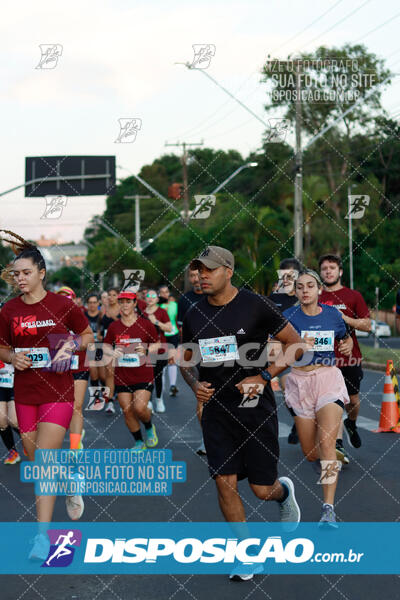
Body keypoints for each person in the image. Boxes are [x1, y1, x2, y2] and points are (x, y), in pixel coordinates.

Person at [180, 245, 302, 582]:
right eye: (198, 270)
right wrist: (195, 386)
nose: (202, 276)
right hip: (216, 411)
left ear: (228, 271)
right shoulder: (193, 314)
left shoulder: (254, 305)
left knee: (261, 489)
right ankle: (248, 555)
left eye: (208, 270)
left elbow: (297, 345)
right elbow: (185, 359)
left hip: (254, 408)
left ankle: (283, 493)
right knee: (224, 482)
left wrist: (264, 376)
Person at [0, 231, 94, 561]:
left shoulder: (61, 304)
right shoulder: (8, 309)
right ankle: (70, 480)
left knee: (43, 463)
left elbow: (86, 335)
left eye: (26, 272)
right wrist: (12, 358)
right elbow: (2, 346)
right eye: (15, 274)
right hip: (25, 392)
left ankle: (42, 537)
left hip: (59, 390)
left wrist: (69, 345)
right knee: (31, 454)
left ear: (42, 272)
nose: (20, 278)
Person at [283, 269, 353, 526]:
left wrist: (345, 346)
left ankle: (328, 509)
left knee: (326, 447)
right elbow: (274, 347)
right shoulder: (287, 317)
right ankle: (327, 453)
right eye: (300, 286)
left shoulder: (333, 315)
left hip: (328, 379)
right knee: (311, 453)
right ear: (296, 291)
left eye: (310, 285)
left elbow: (345, 339)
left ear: (319, 289)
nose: (305, 290)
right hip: (299, 381)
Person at [319, 254, 371, 463]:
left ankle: (351, 423)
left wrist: (343, 318)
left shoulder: (353, 296)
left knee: (353, 401)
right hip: (324, 360)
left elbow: (367, 325)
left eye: (332, 268)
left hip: (350, 358)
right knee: (334, 401)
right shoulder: (316, 296)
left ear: (340, 272)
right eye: (324, 268)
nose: (328, 271)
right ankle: (338, 445)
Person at [104, 289, 159, 450]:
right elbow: (106, 345)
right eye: (122, 302)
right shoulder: (114, 326)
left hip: (143, 374)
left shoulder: (145, 324)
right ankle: (139, 442)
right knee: (127, 411)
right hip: (122, 375)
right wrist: (111, 352)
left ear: (135, 304)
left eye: (128, 302)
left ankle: (149, 427)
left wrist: (147, 350)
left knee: (139, 408)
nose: (125, 305)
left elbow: (157, 343)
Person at [268, 258, 301, 445]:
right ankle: (298, 420)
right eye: (283, 276)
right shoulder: (274, 298)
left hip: (305, 351)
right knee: (287, 387)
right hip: (281, 350)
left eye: (290, 275)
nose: (286, 279)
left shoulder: (303, 296)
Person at [177, 267, 205, 454]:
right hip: (196, 352)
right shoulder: (185, 300)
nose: (196, 279)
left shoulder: (217, 296)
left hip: (223, 352)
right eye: (193, 276)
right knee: (203, 396)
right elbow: (182, 331)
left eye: (199, 275)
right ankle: (208, 438)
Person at [57, 286, 88, 451]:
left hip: (79, 363)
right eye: (60, 298)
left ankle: (75, 447)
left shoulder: (78, 315)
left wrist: (73, 343)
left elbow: (88, 339)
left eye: (67, 297)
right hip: (58, 366)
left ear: (74, 300)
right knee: (62, 406)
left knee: (76, 405)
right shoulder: (51, 318)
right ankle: (75, 432)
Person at [144, 289, 172, 413]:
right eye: (148, 296)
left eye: (153, 296)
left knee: (158, 376)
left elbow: (169, 328)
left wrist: (156, 321)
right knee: (147, 376)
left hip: (160, 349)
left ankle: (159, 400)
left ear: (157, 299)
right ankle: (148, 401)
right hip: (146, 349)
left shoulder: (162, 312)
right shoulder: (141, 313)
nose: (150, 298)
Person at [98, 287, 121, 415]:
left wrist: (114, 317)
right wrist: (100, 334)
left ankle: (121, 396)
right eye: (109, 295)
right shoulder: (103, 310)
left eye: (114, 295)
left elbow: (125, 324)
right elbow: (100, 324)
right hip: (107, 344)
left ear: (118, 296)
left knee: (120, 372)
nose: (111, 298)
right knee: (108, 373)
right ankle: (110, 401)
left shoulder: (122, 310)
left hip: (120, 344)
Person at [159, 285, 180, 397]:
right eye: (162, 292)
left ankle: (172, 386)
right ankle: (161, 387)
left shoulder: (174, 305)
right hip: (161, 336)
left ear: (169, 293)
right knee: (162, 362)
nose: (164, 294)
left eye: (166, 292)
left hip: (173, 334)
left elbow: (176, 320)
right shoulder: (157, 306)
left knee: (172, 360)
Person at [85, 293, 106, 405]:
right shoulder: (84, 316)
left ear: (98, 303)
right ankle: (96, 398)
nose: (92, 305)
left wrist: (102, 336)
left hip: (101, 347)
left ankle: (107, 392)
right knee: (93, 373)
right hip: (89, 348)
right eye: (90, 303)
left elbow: (108, 331)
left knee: (102, 375)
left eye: (94, 302)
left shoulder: (102, 316)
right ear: (87, 304)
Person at [0, 358, 20, 464]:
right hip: (1, 383)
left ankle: (29, 442)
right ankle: (12, 452)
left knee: (14, 421)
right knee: (1, 421)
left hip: (15, 380)